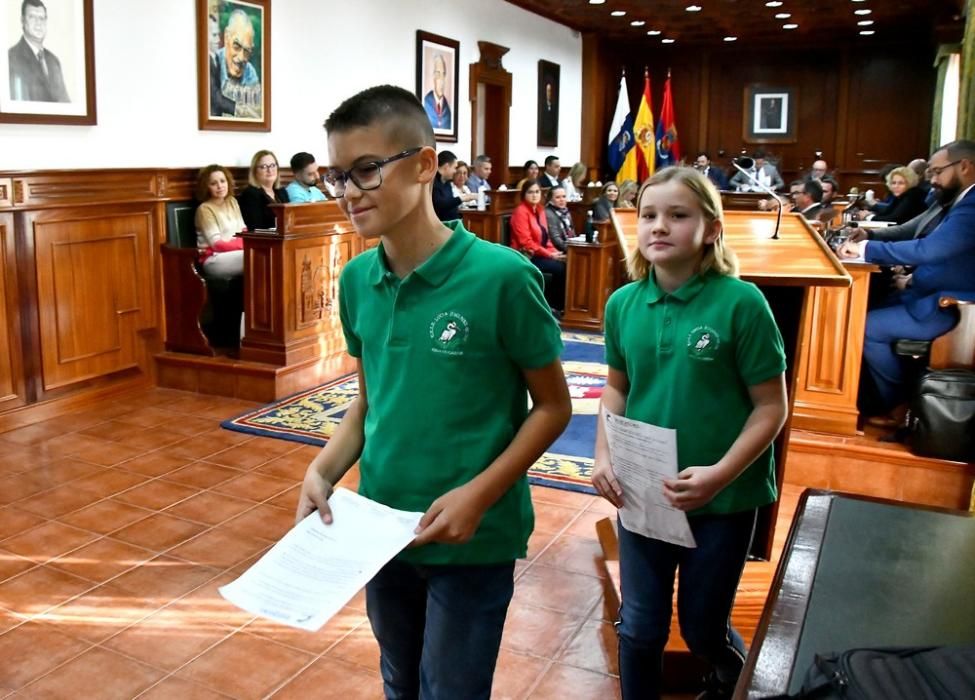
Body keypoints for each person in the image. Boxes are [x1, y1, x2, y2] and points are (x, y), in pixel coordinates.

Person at [301, 84, 571, 700]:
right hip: (382, 526)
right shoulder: (356, 280)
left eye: (367, 170)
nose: (349, 192)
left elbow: (554, 407)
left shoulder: (502, 277)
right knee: (400, 677)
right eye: (337, 175)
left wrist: (479, 493)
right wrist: (323, 469)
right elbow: (369, 401)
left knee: (451, 687)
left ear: (424, 165)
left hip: (472, 535)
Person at [592, 166, 788, 700]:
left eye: (678, 215)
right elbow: (616, 389)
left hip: (723, 500)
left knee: (703, 626)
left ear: (711, 230)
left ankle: (732, 679)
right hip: (644, 491)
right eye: (649, 215)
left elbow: (771, 407)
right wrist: (603, 456)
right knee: (639, 627)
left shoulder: (741, 303)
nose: (659, 226)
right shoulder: (622, 304)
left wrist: (720, 475)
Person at [837, 140, 975, 420]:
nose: (932, 180)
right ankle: (867, 395)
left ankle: (898, 404)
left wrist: (865, 249)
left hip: (951, 307)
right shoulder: (955, 198)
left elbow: (930, 249)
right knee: (865, 308)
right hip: (927, 292)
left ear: (964, 166)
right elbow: (913, 230)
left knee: (864, 327)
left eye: (937, 172)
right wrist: (871, 237)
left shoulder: (972, 205)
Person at [194, 164, 246, 349]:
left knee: (259, 260)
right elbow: (217, 243)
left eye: (222, 181)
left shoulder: (232, 202)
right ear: (206, 187)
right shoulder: (204, 209)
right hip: (213, 260)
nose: (219, 186)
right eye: (213, 183)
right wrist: (243, 244)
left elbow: (244, 232)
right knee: (253, 259)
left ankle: (248, 332)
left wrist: (243, 243)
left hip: (235, 255)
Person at [509, 179, 567, 312]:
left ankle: (562, 306)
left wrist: (555, 252)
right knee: (559, 268)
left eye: (537, 192)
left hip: (541, 253)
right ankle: (551, 306)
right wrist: (550, 255)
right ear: (524, 194)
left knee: (566, 263)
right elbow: (526, 242)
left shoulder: (540, 210)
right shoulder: (520, 212)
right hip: (526, 256)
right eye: (530, 192)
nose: (534, 195)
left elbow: (546, 238)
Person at [8, 0, 69, 103]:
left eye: (42, 18)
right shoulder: (11, 58)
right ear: (22, 21)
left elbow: (65, 103)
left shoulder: (53, 61)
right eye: (32, 17)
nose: (38, 23)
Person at [213, 8, 261, 119]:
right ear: (226, 37)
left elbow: (255, 118)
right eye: (236, 46)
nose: (241, 57)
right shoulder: (213, 64)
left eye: (247, 51)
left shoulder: (250, 73)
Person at [237, 150, 289, 231]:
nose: (270, 170)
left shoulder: (282, 192)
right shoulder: (250, 194)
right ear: (255, 171)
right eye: (264, 166)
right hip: (266, 240)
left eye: (273, 165)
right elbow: (255, 228)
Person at [857, 166, 927, 225]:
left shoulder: (912, 195)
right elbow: (889, 210)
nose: (896, 186)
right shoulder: (902, 195)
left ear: (910, 183)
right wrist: (870, 214)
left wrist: (868, 217)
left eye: (901, 183)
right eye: (893, 183)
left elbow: (893, 219)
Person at [432, 150, 476, 221]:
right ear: (446, 166)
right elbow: (439, 205)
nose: (455, 171)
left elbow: (451, 206)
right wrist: (462, 198)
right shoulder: (432, 182)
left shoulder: (447, 182)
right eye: (455, 168)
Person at [422, 53, 452, 131]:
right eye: (438, 74)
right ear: (432, 77)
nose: (442, 80)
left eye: (443, 74)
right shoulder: (425, 103)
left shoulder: (448, 110)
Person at [543, 185, 574, 252]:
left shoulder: (566, 212)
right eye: (557, 197)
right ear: (550, 199)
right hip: (557, 250)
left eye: (564, 196)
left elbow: (572, 232)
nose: (562, 200)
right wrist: (572, 250)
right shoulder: (548, 213)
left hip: (570, 246)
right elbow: (555, 239)